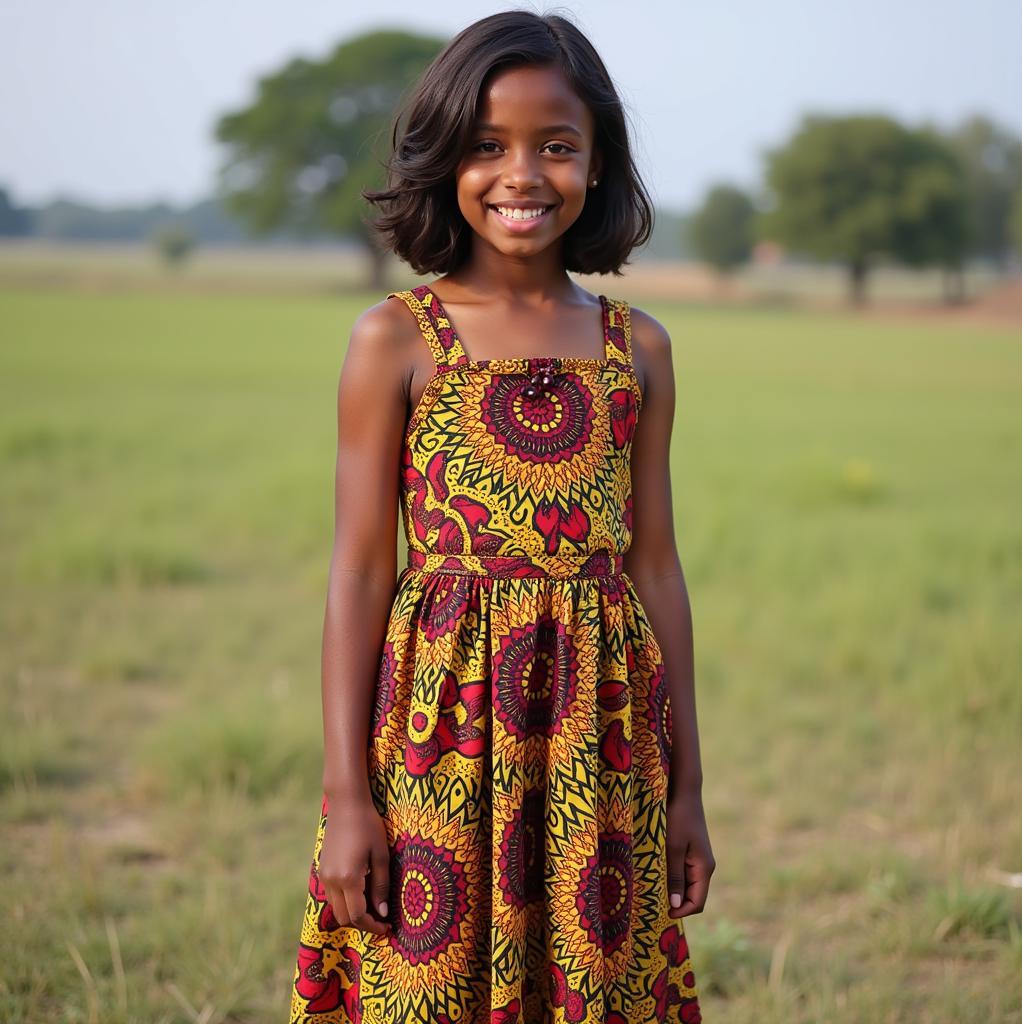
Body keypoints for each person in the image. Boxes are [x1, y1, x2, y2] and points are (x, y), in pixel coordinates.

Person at [289, 10, 714, 1023]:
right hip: (440, 728)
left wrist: (688, 784)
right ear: (445, 157)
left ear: (598, 161)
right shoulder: (395, 339)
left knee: (591, 978)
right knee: (425, 980)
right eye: (487, 146)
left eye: (555, 146)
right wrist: (349, 793)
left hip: (598, 736)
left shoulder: (636, 347)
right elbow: (356, 573)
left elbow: (655, 566)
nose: (521, 174)